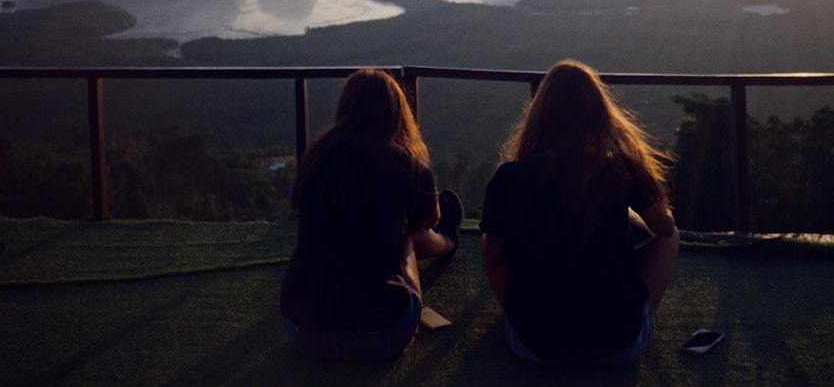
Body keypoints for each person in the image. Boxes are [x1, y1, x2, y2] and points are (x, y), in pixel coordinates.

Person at [479, 59, 679, 364]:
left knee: (488, 240)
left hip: (535, 347)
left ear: (541, 115)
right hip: (621, 346)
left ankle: (521, 320)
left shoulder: (511, 176)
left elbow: (495, 256)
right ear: (600, 116)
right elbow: (663, 227)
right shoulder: (619, 168)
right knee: (671, 236)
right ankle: (626, 316)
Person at [280, 68, 463, 362]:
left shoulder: (317, 157)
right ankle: (449, 243)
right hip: (380, 334)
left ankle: (447, 243)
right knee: (406, 234)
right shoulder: (407, 165)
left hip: (302, 330)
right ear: (397, 112)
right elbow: (428, 221)